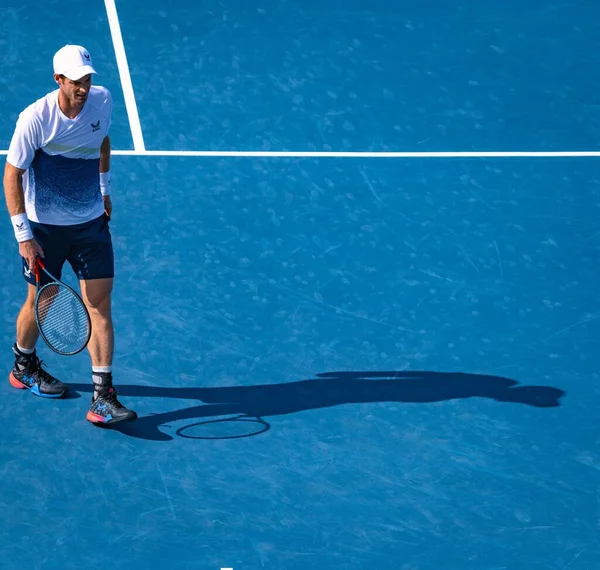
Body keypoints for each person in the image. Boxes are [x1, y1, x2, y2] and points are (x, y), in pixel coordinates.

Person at [3, 44, 136, 425]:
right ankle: (24, 364)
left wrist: (105, 189)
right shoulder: (35, 118)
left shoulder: (102, 101)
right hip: (45, 229)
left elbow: (102, 141)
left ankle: (102, 397)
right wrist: (23, 236)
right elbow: (11, 175)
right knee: (39, 302)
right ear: (58, 79)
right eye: (75, 81)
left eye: (87, 79)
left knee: (100, 305)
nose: (83, 87)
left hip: (91, 224)